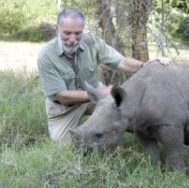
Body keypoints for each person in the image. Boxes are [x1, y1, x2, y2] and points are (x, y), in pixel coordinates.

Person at [37, 8, 169, 145]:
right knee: (65, 148)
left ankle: (152, 137)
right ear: (57, 29)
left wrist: (147, 66)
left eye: (77, 33)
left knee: (127, 110)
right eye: (67, 33)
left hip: (96, 98)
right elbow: (62, 96)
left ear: (83, 29)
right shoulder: (46, 56)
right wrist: (99, 92)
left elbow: (121, 62)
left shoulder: (91, 42)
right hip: (64, 108)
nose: (72, 39)